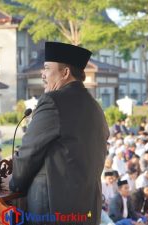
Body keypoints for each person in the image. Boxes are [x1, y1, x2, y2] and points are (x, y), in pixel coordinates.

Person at [9, 42, 109, 224]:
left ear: (65, 73)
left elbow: (29, 151)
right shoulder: (95, 107)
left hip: (53, 207)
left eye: (47, 68)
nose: (42, 74)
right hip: (86, 208)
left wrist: (14, 185)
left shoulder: (52, 101)